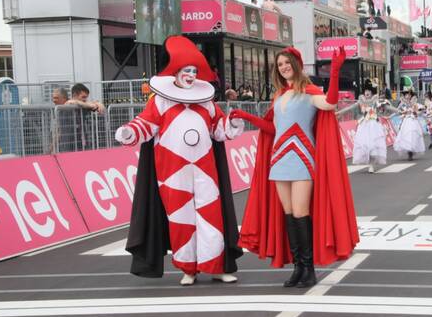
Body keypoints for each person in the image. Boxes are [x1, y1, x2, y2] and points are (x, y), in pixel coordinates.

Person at [116, 35, 245, 285]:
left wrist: (233, 123)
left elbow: (219, 130)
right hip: (172, 173)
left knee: (211, 217)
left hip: (205, 170)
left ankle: (216, 266)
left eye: (194, 70)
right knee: (181, 219)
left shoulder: (205, 101)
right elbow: (145, 125)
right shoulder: (160, 100)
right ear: (175, 72)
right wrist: (129, 132)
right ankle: (189, 269)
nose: (191, 75)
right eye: (187, 70)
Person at [231, 46, 358, 288]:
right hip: (279, 160)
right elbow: (274, 129)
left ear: (296, 64)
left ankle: (309, 269)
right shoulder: (279, 95)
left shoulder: (310, 92)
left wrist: (334, 72)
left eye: (287, 63)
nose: (284, 67)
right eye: (280, 65)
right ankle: (298, 267)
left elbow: (330, 103)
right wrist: (247, 118)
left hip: (302, 158)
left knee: (301, 213)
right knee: (289, 214)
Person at [341, 83, 389, 173]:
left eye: (369, 91)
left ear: (371, 92)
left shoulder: (376, 101)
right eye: (365, 91)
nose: (367, 92)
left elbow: (386, 107)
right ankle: (369, 163)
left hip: (374, 125)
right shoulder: (361, 102)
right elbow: (350, 108)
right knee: (364, 145)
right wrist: (339, 112)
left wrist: (398, 111)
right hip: (364, 125)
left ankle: (371, 165)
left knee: (373, 146)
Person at [391, 88, 425, 160]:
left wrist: (416, 112)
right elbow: (397, 110)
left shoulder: (415, 103)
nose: (407, 96)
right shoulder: (402, 103)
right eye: (406, 95)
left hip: (413, 121)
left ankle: (411, 152)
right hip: (406, 121)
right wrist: (390, 116)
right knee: (406, 135)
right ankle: (409, 151)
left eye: (409, 94)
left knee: (413, 134)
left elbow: (420, 111)